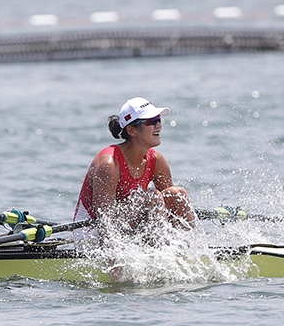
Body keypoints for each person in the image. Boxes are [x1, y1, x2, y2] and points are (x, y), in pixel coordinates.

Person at [73, 96, 194, 240]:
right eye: (151, 121)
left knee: (177, 194)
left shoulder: (157, 160)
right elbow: (106, 223)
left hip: (126, 227)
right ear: (131, 131)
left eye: (159, 120)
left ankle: (190, 249)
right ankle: (159, 251)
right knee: (152, 197)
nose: (158, 125)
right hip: (92, 232)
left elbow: (171, 209)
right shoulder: (109, 164)